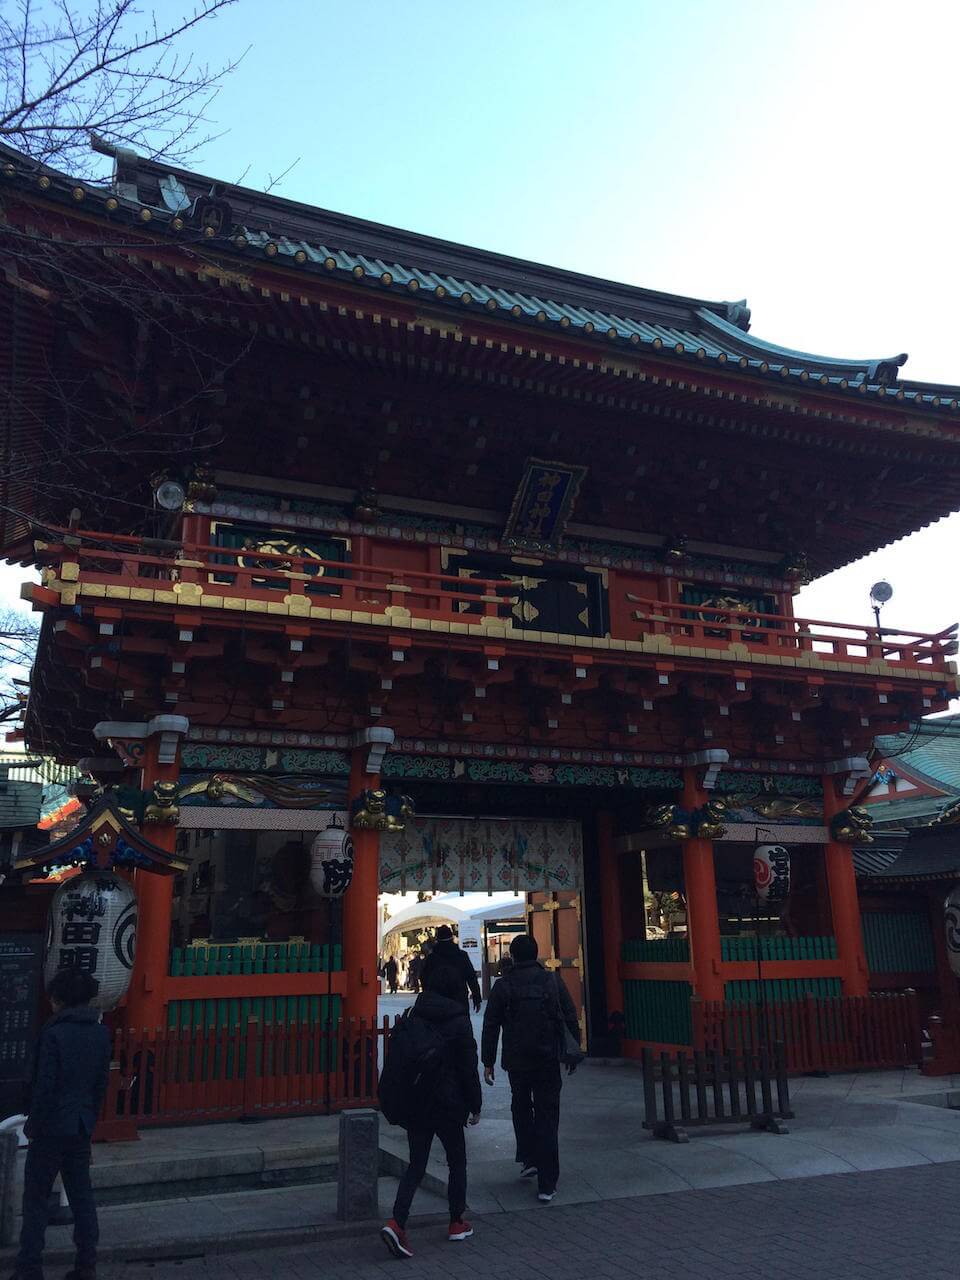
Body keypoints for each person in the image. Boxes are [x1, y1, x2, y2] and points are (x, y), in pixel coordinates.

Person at [14, 968, 111, 1280]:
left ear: (60, 999)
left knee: (36, 1198)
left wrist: (33, 1125)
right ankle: (86, 1264)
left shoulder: (54, 1034)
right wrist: (89, 1122)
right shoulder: (101, 1034)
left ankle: (29, 1267)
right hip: (80, 1125)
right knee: (82, 1195)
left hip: (51, 1127)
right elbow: (100, 1085)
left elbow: (44, 1087)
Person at [381, 963, 482, 1258]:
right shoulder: (459, 1021)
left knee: (416, 1164)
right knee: (456, 1161)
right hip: (449, 1104)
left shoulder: (413, 1014)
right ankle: (457, 1221)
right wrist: (475, 1105)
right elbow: (468, 1069)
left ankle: (397, 1222)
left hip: (417, 1101)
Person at [481, 933, 579, 1203]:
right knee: (548, 1116)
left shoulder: (504, 985)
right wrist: (573, 1052)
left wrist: (487, 1061)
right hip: (547, 1058)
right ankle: (547, 1183)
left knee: (521, 1107)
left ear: (512, 956)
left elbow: (491, 1025)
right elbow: (569, 1014)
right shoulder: (552, 980)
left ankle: (528, 1157)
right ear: (536, 954)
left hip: (517, 1060)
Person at [421, 925, 481, 1013]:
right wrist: (476, 997)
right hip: (459, 998)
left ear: (437, 940)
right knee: (460, 1020)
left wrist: (427, 996)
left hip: (437, 999)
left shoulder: (432, 958)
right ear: (452, 938)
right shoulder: (461, 956)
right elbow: (471, 977)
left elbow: (424, 978)